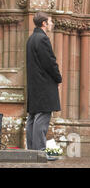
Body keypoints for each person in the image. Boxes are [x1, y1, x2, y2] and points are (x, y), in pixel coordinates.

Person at [26, 12, 62, 160]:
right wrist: (58, 77)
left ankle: (32, 152)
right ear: (44, 23)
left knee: (33, 117)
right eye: (50, 21)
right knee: (41, 117)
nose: (51, 24)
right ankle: (40, 152)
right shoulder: (42, 39)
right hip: (44, 84)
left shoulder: (31, 39)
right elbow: (49, 62)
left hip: (35, 84)